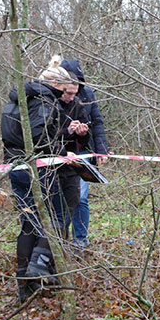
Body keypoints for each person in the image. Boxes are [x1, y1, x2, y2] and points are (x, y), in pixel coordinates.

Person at [1, 55, 89, 302]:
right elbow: (40, 138)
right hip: (37, 167)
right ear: (57, 86)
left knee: (30, 221)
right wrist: (63, 153)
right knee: (58, 214)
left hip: (16, 165)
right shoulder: (43, 101)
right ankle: (38, 264)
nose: (66, 96)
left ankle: (25, 286)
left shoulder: (19, 100)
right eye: (64, 90)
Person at [61, 60, 109, 248]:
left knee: (81, 197)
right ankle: (59, 241)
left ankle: (80, 240)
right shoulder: (56, 95)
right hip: (61, 151)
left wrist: (102, 149)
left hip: (83, 151)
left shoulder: (88, 94)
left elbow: (97, 122)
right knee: (62, 197)